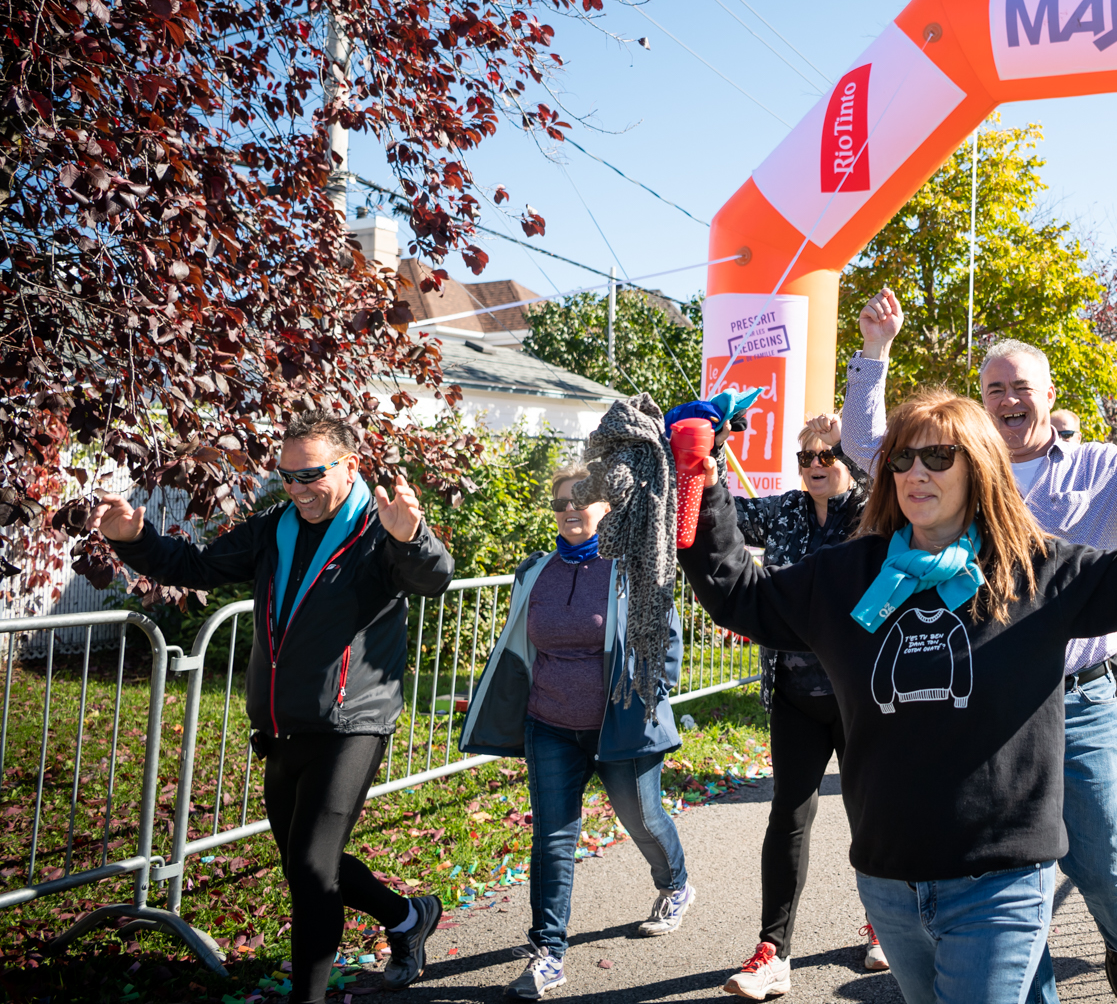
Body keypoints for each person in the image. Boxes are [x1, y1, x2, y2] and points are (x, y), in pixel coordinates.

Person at [680, 369, 1117, 1004]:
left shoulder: (1032, 571)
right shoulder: (850, 575)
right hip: (889, 881)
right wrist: (703, 485)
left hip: (1000, 878)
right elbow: (740, 595)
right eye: (903, 456)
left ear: (979, 468)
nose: (915, 471)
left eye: (938, 456)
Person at [843, 288, 1117, 1004]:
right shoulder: (964, 470)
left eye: (1021, 387)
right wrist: (875, 353)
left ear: (1049, 393)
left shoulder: (1105, 470)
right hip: (984, 708)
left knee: (1101, 858)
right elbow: (868, 448)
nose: (1008, 399)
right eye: (994, 390)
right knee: (1010, 877)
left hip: (1075, 700)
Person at [87, 413, 454, 1004]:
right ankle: (409, 917)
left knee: (311, 871)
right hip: (281, 728)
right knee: (308, 865)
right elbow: (199, 567)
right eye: (287, 477)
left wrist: (412, 537)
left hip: (351, 724)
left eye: (310, 474)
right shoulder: (273, 528)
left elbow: (433, 577)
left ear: (350, 465)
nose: (297, 489)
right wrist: (135, 539)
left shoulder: (381, 528)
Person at [458, 462, 696, 1000]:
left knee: (644, 819)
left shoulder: (631, 569)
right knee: (553, 839)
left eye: (581, 499)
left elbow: (669, 641)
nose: (570, 511)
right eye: (561, 502)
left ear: (606, 508)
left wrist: (652, 694)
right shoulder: (533, 571)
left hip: (620, 728)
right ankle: (547, 955)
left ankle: (675, 884)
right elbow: (519, 647)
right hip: (550, 725)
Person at [721, 414, 885, 1000]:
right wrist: (709, 449)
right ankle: (774, 951)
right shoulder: (786, 509)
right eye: (806, 456)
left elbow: (887, 469)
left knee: (871, 814)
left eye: (828, 454)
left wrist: (855, 442)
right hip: (792, 691)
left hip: (856, 692)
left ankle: (885, 927)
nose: (816, 464)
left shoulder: (874, 511)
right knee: (787, 818)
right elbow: (725, 513)